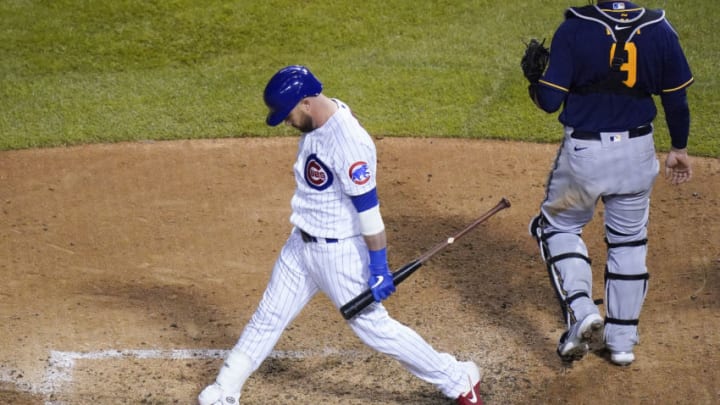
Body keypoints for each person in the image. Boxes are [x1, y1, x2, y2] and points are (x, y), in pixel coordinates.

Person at [198, 65, 483, 404]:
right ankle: (224, 391)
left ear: (305, 103)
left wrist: (379, 266)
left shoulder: (349, 142)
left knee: (375, 330)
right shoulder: (319, 121)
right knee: (268, 316)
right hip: (299, 246)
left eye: (287, 114)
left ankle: (458, 380)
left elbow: (370, 212)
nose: (285, 123)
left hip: (339, 256)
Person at [524, 0, 694, 366]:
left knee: (556, 228)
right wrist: (678, 147)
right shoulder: (660, 29)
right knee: (630, 241)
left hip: (586, 154)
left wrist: (534, 82)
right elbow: (676, 101)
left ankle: (583, 310)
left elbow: (550, 100)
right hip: (638, 152)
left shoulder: (575, 27)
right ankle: (621, 342)